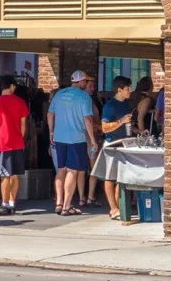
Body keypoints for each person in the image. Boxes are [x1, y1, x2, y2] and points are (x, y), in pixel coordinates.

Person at [48, 71, 98, 216]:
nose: (87, 84)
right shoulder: (84, 97)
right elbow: (87, 119)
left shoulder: (59, 94)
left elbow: (50, 114)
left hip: (59, 137)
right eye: (86, 81)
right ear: (81, 82)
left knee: (61, 169)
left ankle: (59, 203)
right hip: (76, 139)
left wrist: (51, 132)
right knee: (72, 171)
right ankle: (67, 206)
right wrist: (93, 139)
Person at [0, 75, 29, 216]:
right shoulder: (20, 102)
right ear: (11, 86)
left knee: (4, 175)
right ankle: (12, 203)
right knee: (14, 175)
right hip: (17, 143)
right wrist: (19, 138)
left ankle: (4, 205)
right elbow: (23, 125)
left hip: (2, 143)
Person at [98, 76, 135, 220]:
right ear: (119, 90)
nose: (130, 90)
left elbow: (127, 124)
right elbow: (104, 128)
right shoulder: (110, 106)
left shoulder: (126, 104)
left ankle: (119, 208)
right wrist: (121, 121)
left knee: (122, 177)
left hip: (125, 144)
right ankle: (113, 208)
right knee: (110, 177)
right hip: (112, 145)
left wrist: (138, 130)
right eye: (127, 88)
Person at [82, 75, 104, 207]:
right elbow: (88, 121)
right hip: (90, 137)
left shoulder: (88, 100)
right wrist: (100, 127)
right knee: (93, 167)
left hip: (88, 136)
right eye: (90, 86)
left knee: (83, 168)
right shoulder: (86, 101)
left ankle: (83, 197)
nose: (92, 88)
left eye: (93, 86)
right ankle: (90, 196)